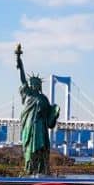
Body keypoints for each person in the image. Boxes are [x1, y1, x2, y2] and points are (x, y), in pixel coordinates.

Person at [15, 44, 60, 175]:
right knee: (30, 149)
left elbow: (49, 120)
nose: (33, 85)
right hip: (29, 126)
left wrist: (55, 114)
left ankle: (42, 170)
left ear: (39, 85)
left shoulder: (43, 99)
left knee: (41, 149)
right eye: (32, 83)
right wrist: (19, 59)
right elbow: (22, 78)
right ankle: (29, 170)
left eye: (36, 84)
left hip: (40, 126)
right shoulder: (27, 93)